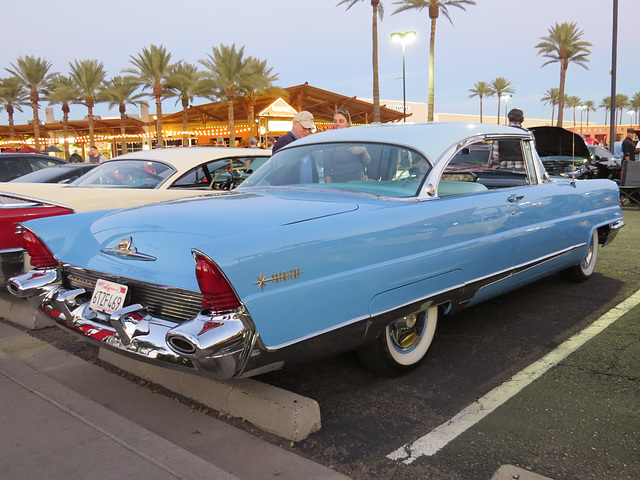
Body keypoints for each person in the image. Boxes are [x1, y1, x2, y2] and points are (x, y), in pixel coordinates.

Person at [324, 109, 371, 183]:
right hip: (338, 183)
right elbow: (327, 170)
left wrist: (363, 151)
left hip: (357, 182)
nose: (337, 124)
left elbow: (367, 161)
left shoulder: (357, 139)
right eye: (335, 121)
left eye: (341, 121)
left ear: (347, 123)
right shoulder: (330, 142)